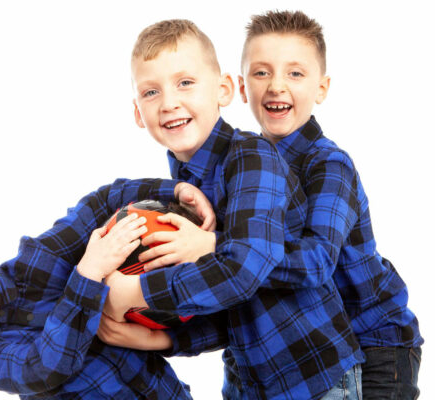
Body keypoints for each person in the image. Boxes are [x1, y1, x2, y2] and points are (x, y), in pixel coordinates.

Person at [99, 19, 364, 399]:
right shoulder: (183, 186)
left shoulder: (252, 156)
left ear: (224, 90)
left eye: (185, 83)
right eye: (151, 92)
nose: (169, 102)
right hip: (247, 375)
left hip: (312, 375)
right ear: (138, 113)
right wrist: (165, 339)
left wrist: (134, 292)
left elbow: (243, 270)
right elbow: (231, 304)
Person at [0, 178, 215, 399]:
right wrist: (88, 273)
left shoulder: (39, 260)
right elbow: (46, 366)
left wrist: (172, 191)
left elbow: (99, 204)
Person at [234, 10, 422, 399]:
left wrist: (233, 261)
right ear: (240, 86)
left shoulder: (328, 164)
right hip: (305, 346)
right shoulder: (245, 170)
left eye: (295, 73)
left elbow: (317, 260)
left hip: (374, 341)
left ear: (321, 88)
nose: (276, 86)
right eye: (261, 72)